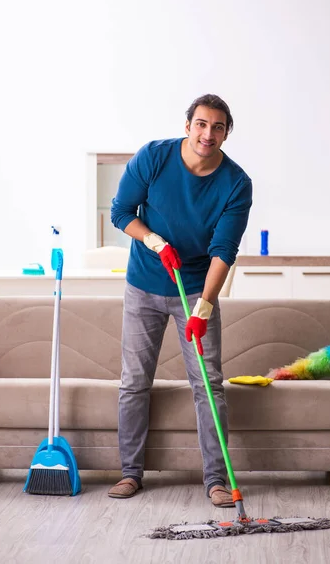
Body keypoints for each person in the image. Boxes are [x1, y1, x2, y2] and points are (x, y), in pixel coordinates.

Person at [109, 94, 252, 507]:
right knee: (134, 382)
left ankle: (216, 482)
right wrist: (154, 241)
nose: (208, 134)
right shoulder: (154, 157)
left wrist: (204, 308)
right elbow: (121, 212)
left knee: (209, 387)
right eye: (202, 124)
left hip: (194, 288)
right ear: (188, 124)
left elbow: (224, 249)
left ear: (226, 134)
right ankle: (130, 474)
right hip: (144, 284)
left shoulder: (236, 184)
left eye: (218, 127)